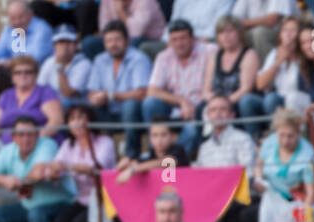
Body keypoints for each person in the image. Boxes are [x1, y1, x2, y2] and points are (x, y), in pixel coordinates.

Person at [144, 19, 216, 158]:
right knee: (150, 103)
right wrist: (182, 102)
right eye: (174, 39)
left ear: (193, 38)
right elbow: (152, 90)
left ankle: (172, 160)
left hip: (199, 110)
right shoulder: (164, 56)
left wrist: (193, 107)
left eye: (183, 38)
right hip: (174, 111)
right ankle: (154, 152)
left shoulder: (208, 51)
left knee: (191, 130)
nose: (179, 43)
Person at [88, 19, 151, 158]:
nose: (113, 44)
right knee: (86, 109)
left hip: (133, 114)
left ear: (127, 41)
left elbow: (142, 93)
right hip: (108, 111)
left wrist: (111, 96)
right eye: (109, 41)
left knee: (130, 106)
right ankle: (95, 157)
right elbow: (92, 93)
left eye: (117, 40)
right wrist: (96, 99)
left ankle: (131, 155)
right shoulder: (100, 60)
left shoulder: (139, 58)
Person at [42, 102, 114, 222]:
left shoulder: (105, 142)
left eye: (80, 117)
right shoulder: (68, 145)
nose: (76, 122)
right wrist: (52, 171)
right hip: (82, 199)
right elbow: (54, 166)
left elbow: (95, 168)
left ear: (90, 121)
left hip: (104, 199)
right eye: (72, 119)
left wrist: (66, 166)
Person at [195, 93, 259, 222]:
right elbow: (200, 178)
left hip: (236, 197)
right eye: (213, 110)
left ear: (232, 115)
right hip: (212, 198)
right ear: (208, 116)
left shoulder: (243, 139)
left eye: (222, 109)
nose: (218, 114)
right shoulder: (204, 148)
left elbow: (249, 173)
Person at [202, 13, 270, 132]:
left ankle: (253, 137)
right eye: (222, 33)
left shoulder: (249, 54)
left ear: (239, 33)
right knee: (201, 108)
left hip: (238, 101)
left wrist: (223, 104)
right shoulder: (213, 56)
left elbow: (246, 89)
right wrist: (215, 103)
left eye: (230, 31)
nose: (226, 36)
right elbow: (206, 90)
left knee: (245, 102)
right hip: (218, 102)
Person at [252, 106, 314, 222]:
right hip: (271, 198)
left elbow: (310, 192)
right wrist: (259, 179)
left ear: (298, 134)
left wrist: (305, 217)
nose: (285, 141)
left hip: (296, 202)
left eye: (290, 136)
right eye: (281, 135)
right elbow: (259, 164)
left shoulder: (307, 153)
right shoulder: (269, 143)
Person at [0, 2, 55, 98]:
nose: (17, 22)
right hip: (15, 74)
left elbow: (29, 61)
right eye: (13, 18)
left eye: (21, 17)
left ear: (30, 14)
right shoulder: (9, 31)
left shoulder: (42, 29)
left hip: (37, 76)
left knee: (3, 72)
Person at [0, 54, 63, 142]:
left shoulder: (45, 93)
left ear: (35, 75)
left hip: (39, 143)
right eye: (18, 72)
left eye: (28, 72)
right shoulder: (6, 95)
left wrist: (30, 141)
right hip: (6, 148)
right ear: (12, 76)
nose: (23, 75)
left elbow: (56, 121)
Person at [39, 23, 93, 110]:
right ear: (55, 45)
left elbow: (68, 94)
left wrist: (60, 67)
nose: (64, 46)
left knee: (64, 102)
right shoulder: (49, 62)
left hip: (78, 110)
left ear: (75, 45)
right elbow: (40, 89)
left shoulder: (84, 64)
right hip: (51, 106)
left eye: (68, 42)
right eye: (61, 42)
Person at [115, 119, 190, 181]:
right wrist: (126, 164)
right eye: (155, 135)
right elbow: (140, 163)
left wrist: (133, 169)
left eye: (163, 135)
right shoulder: (150, 155)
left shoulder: (179, 151)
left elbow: (166, 162)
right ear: (150, 138)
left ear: (172, 136)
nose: (159, 140)